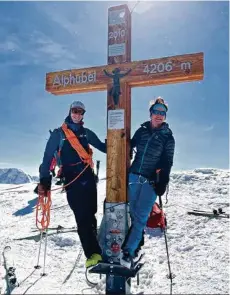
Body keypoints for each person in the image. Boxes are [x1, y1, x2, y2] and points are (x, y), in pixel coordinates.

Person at [38, 101, 106, 268]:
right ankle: (92, 254)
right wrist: (44, 179)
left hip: (88, 177)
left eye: (81, 112)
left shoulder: (86, 133)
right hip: (72, 180)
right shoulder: (59, 134)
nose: (77, 114)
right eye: (75, 111)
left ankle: (95, 249)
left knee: (91, 214)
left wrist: (120, 141)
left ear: (83, 114)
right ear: (70, 112)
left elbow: (104, 147)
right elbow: (47, 158)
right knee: (82, 217)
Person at [120, 97, 175, 268]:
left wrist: (162, 181)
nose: (159, 115)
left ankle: (128, 251)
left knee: (141, 218)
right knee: (129, 212)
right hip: (134, 177)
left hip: (151, 182)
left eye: (163, 113)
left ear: (165, 116)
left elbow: (168, 161)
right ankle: (132, 246)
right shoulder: (142, 131)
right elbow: (130, 146)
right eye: (157, 111)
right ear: (151, 113)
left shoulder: (168, 138)